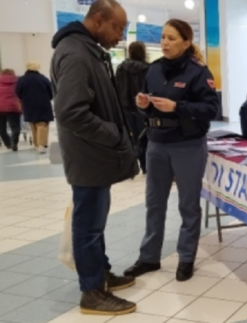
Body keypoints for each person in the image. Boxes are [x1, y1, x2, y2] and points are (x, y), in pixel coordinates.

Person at [50, 0, 139, 315]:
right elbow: (71, 112)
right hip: (89, 157)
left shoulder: (87, 49)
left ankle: (99, 274)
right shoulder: (75, 53)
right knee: (88, 226)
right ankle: (91, 291)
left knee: (94, 224)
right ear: (98, 20)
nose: (120, 35)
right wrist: (113, 134)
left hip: (94, 156)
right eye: (117, 27)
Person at [124, 19, 219, 282]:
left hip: (187, 145)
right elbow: (146, 103)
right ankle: (149, 257)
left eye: (172, 38)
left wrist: (177, 108)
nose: (164, 42)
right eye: (163, 37)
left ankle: (186, 258)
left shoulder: (198, 72)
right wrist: (143, 104)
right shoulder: (153, 70)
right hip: (156, 143)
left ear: (186, 42)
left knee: (188, 205)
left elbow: (211, 109)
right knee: (154, 203)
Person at [116, 41, 150, 174]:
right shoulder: (148, 68)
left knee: (132, 137)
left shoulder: (121, 68)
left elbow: (117, 87)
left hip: (125, 107)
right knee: (145, 137)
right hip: (143, 108)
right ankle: (145, 166)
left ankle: (133, 164)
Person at [15, 61, 54, 154]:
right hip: (43, 103)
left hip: (28, 104)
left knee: (33, 124)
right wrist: (48, 97)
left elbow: (17, 92)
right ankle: (41, 145)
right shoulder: (43, 78)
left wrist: (23, 98)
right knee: (42, 124)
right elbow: (51, 91)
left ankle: (36, 144)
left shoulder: (22, 79)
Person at [0, 69, 21, 151]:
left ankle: (8, 143)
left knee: (1, 128)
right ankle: (14, 142)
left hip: (0, 108)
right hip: (14, 107)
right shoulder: (18, 81)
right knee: (15, 126)